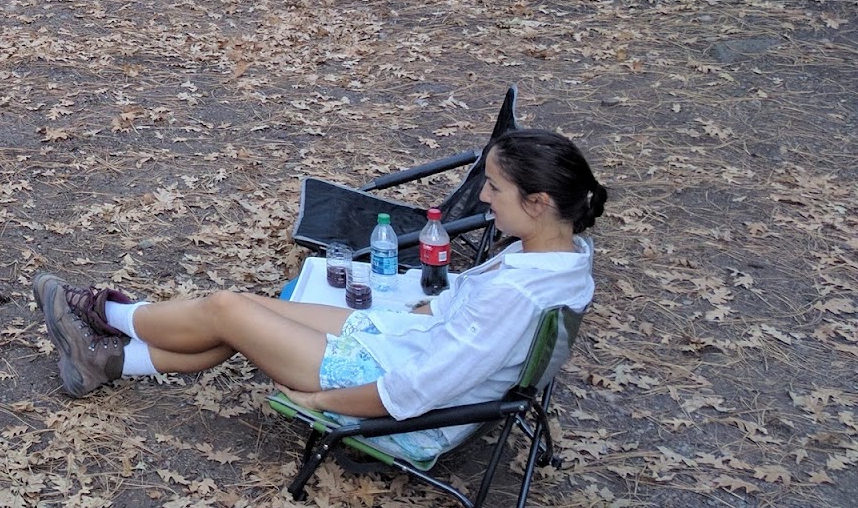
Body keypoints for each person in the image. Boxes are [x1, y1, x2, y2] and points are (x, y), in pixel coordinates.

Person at [32, 129, 607, 450]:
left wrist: (318, 403)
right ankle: (105, 361)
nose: (484, 198)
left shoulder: (524, 293)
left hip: (379, 383)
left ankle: (100, 311)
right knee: (253, 313)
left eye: (497, 190)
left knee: (230, 309)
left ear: (538, 203)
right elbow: (461, 325)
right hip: (401, 338)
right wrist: (421, 301)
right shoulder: (560, 256)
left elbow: (416, 391)